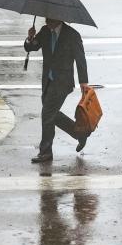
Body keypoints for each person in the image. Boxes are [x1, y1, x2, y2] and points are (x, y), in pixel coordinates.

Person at [24, 18, 90, 163]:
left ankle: (45, 151)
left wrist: (83, 82)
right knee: (51, 114)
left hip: (63, 82)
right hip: (48, 81)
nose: (47, 19)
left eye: (51, 17)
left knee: (47, 113)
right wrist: (30, 38)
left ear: (59, 18)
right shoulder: (45, 31)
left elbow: (80, 59)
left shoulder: (72, 35)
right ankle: (79, 133)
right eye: (46, 17)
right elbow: (32, 47)